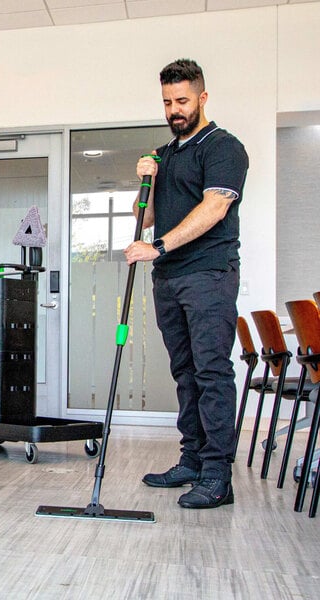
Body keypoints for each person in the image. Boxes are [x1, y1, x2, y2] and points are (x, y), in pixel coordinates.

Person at [124, 58, 249, 509]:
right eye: (167, 102)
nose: (174, 110)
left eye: (182, 100)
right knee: (186, 373)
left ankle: (218, 475)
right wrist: (145, 181)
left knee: (213, 373)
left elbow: (214, 208)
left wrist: (158, 247)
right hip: (171, 279)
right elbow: (148, 216)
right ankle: (193, 460)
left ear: (202, 97)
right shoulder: (166, 154)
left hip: (209, 275)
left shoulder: (223, 148)